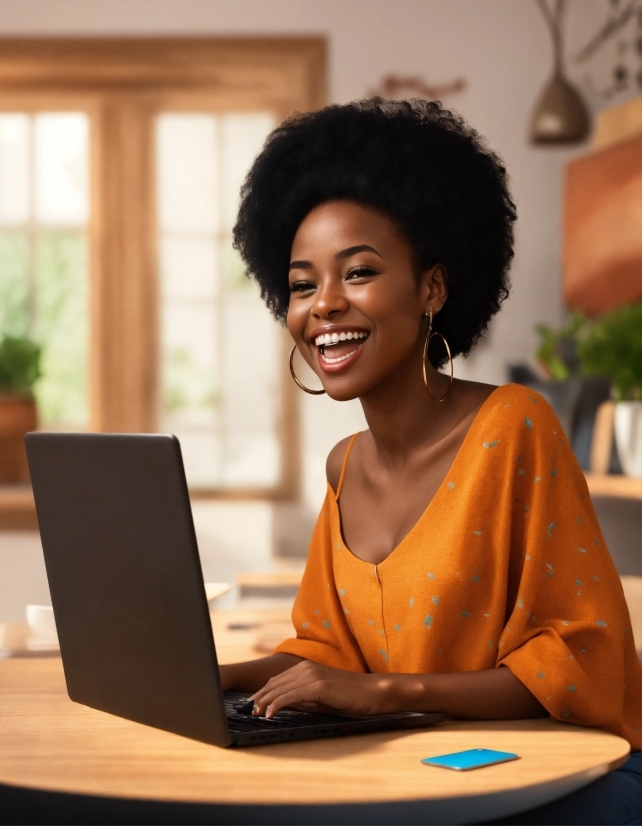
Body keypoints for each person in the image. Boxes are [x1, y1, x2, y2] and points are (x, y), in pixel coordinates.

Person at [225, 98, 641, 825]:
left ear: (432, 290)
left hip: (562, 775)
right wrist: (210, 676)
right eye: (301, 284)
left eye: (357, 272)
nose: (323, 304)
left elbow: (581, 662)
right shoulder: (344, 467)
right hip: (421, 772)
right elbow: (327, 650)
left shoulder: (513, 427)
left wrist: (388, 693)